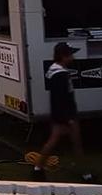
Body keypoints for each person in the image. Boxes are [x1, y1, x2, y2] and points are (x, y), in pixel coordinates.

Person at [30, 42, 89, 181]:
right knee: (74, 143)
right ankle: (86, 174)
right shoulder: (59, 75)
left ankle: (38, 169)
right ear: (63, 56)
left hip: (62, 115)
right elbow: (59, 98)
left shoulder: (57, 72)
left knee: (56, 142)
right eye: (70, 54)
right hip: (66, 116)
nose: (73, 57)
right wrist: (67, 118)